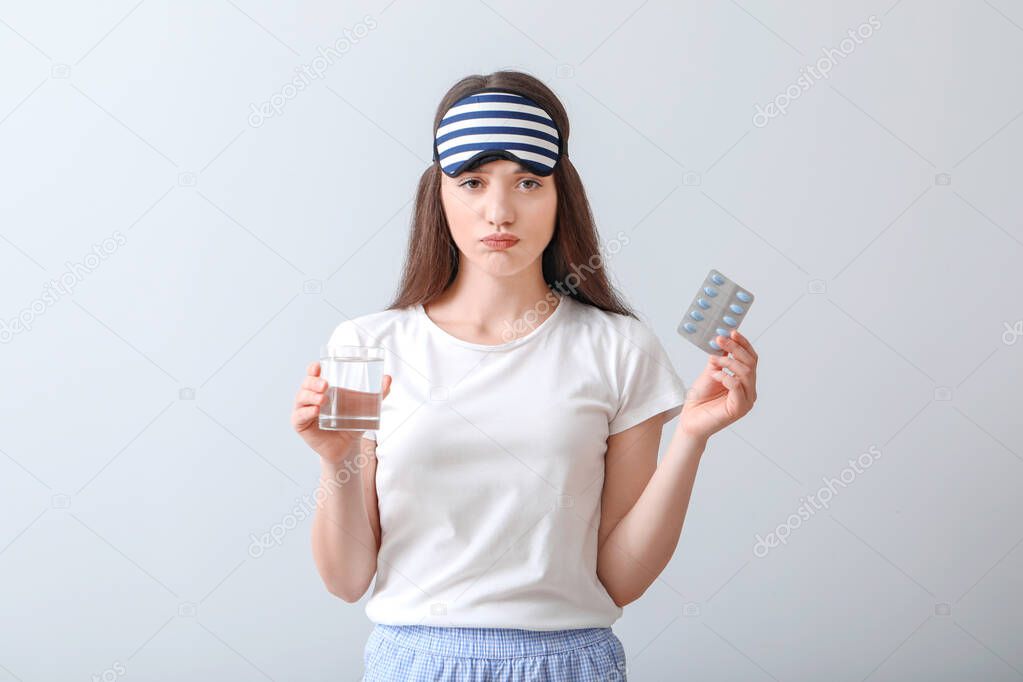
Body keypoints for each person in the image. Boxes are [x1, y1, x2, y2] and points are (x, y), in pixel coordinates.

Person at [291, 70, 759, 681]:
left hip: (567, 663)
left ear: (562, 195)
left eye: (529, 182)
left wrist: (692, 437)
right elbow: (347, 580)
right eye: (473, 183)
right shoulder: (366, 345)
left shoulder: (619, 348)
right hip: (412, 664)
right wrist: (337, 459)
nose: (499, 210)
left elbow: (619, 580)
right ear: (439, 194)